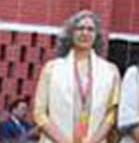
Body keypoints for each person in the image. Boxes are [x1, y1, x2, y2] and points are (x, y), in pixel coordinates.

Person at [33, 10, 121, 143]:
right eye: (80, 28)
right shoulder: (52, 68)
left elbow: (112, 115)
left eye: (90, 29)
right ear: (71, 33)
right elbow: (39, 114)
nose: (85, 33)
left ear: (96, 35)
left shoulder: (110, 71)